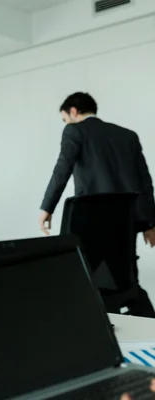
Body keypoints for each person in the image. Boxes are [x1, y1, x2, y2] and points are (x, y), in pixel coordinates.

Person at [39, 92, 155, 317]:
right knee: (127, 282)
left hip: (91, 224)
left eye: (64, 119)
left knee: (83, 280)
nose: (65, 123)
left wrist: (47, 207)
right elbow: (145, 182)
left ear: (73, 111)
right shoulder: (127, 136)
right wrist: (150, 223)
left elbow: (62, 170)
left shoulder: (74, 131)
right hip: (125, 223)